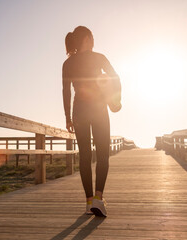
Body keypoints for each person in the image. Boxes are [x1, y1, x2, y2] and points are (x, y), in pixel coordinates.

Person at [62, 26, 121, 217]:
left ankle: (88, 203)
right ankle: (98, 198)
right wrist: (115, 100)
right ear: (87, 39)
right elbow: (116, 78)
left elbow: (66, 91)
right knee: (103, 155)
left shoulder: (68, 63)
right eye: (92, 37)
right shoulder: (99, 57)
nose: (94, 40)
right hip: (98, 108)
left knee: (85, 157)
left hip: (79, 111)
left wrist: (68, 118)